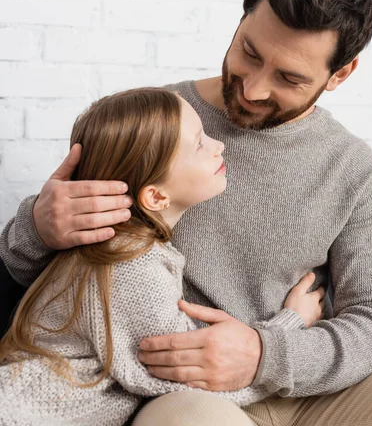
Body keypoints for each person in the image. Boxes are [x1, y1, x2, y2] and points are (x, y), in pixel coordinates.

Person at [1, 0, 372, 426]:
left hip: (305, 384)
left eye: (289, 78)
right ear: (241, 19)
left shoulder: (352, 168)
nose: (253, 88)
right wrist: (37, 227)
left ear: (340, 73)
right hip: (186, 395)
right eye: (249, 52)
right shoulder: (161, 122)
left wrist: (265, 352)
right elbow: (68, 278)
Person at [0, 88, 325, 426]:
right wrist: (290, 325)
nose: (219, 145)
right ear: (155, 196)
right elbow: (195, 380)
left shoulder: (123, 251)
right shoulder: (132, 267)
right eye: (200, 143)